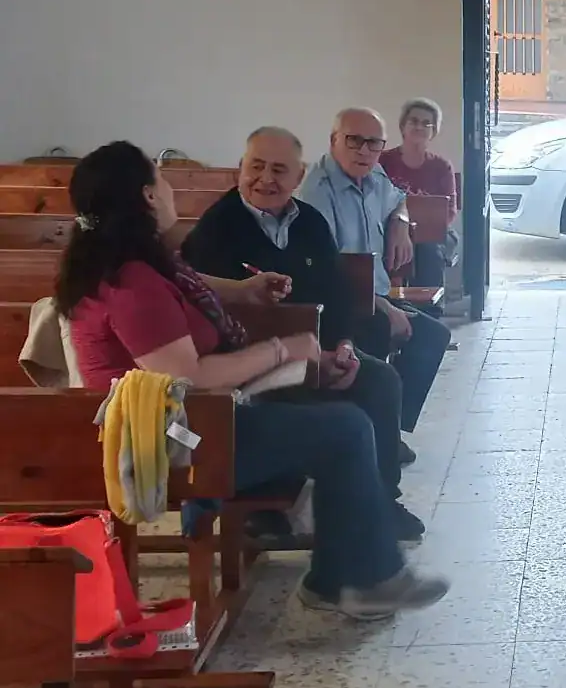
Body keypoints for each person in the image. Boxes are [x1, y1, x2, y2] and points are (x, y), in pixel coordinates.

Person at [57, 142, 448, 620]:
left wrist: (252, 301)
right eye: (160, 179)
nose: (169, 187)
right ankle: (356, 578)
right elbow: (188, 376)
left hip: (198, 417)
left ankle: (349, 568)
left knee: (359, 393)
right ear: (147, 196)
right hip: (172, 443)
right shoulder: (131, 283)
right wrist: (282, 350)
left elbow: (189, 284)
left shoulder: (133, 262)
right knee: (344, 429)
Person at [181, 126, 424, 541]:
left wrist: (344, 347)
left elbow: (338, 293)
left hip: (318, 350)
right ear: (240, 169)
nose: (265, 179)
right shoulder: (216, 228)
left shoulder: (309, 221)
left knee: (380, 379)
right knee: (285, 399)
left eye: (279, 170)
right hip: (249, 363)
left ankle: (382, 500)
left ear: (298, 176)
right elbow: (203, 313)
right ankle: (264, 504)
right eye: (256, 167)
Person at [301, 108, 448, 453]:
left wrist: (400, 223)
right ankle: (373, 439)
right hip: (341, 302)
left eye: (374, 143)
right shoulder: (318, 191)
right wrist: (385, 307)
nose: (365, 150)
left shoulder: (374, 173)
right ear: (334, 140)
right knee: (380, 332)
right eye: (354, 141)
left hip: (376, 292)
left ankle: (388, 431)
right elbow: (332, 269)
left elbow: (399, 200)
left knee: (433, 336)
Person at [379, 98, 459, 290]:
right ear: (403, 126)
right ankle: (388, 299)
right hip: (390, 229)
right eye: (413, 121)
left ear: (433, 131)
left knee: (428, 250)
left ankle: (429, 304)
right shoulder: (383, 161)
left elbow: (450, 211)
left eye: (426, 123)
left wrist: (416, 230)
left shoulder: (442, 166)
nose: (419, 127)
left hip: (434, 234)